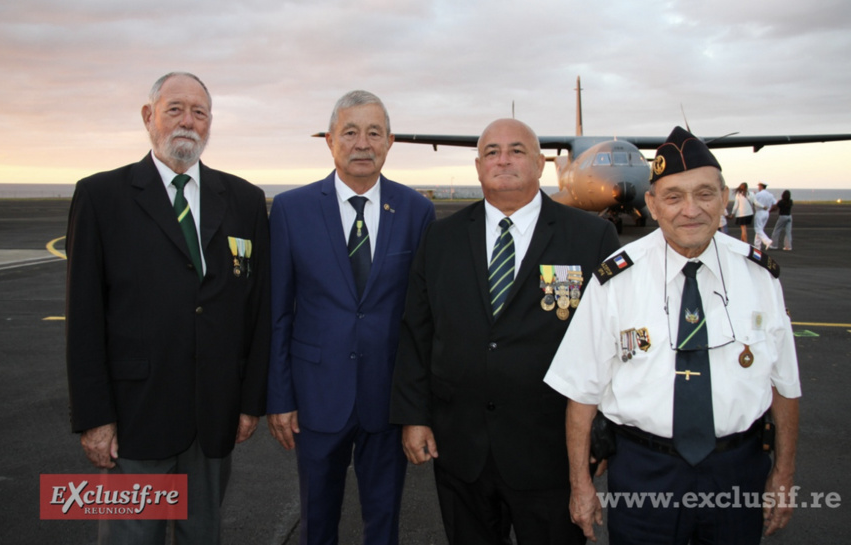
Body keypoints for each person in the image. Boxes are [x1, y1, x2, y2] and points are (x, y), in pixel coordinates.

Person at [544, 126, 801, 544]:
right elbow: (581, 393)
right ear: (652, 203)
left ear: (723, 199)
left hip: (738, 471)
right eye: (673, 196)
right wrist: (581, 485)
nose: (690, 210)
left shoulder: (761, 278)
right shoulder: (616, 280)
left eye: (704, 194)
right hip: (645, 473)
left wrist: (784, 475)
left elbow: (785, 386)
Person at [391, 118, 620, 545]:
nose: (503, 160)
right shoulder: (440, 239)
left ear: (539, 164)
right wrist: (413, 417)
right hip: (461, 450)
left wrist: (603, 433)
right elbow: (417, 332)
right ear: (479, 167)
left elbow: (613, 344)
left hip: (551, 453)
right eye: (492, 152)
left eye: (517, 150)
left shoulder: (591, 237)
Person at [65, 72, 271, 544]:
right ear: (148, 116)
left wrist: (249, 401)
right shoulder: (101, 197)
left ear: (210, 123)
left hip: (213, 414)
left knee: (203, 534)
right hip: (135, 416)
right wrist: (94, 416)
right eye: (175, 108)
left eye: (199, 112)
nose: (188, 121)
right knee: (130, 537)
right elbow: (84, 318)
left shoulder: (243, 199)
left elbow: (257, 309)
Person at [267, 90, 435, 545]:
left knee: (384, 522)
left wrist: (418, 404)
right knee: (316, 521)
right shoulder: (290, 210)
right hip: (316, 396)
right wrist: (280, 397)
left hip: (388, 398)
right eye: (350, 132)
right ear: (330, 140)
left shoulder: (417, 211)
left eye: (374, 133)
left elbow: (423, 319)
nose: (362, 143)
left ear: (390, 142)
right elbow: (278, 312)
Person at [753, 182, 777, 250]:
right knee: (760, 229)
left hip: (760, 212)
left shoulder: (758, 194)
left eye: (759, 186)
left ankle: (767, 241)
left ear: (761, 186)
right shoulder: (770, 195)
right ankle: (757, 246)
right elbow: (775, 203)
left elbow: (755, 202)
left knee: (758, 229)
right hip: (767, 213)